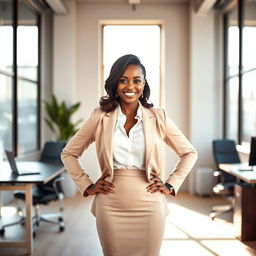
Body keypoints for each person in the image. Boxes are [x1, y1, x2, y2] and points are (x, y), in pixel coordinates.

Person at [61, 54, 198, 256]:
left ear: (143, 84)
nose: (129, 86)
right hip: (110, 205)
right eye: (123, 80)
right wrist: (87, 185)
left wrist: (171, 184)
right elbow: (69, 153)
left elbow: (189, 152)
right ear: (115, 83)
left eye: (136, 80)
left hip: (151, 204)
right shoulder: (99, 116)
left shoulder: (158, 117)